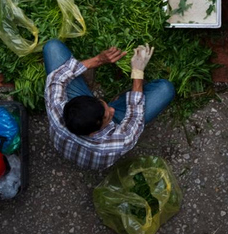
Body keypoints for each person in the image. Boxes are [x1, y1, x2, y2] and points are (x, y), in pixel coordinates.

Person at [43, 40, 175, 170]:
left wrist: (99, 59)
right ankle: (116, 106)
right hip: (103, 140)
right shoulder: (114, 144)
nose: (112, 109)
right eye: (107, 116)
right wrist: (138, 71)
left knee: (52, 46)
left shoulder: (56, 111)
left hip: (77, 126)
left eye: (102, 103)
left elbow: (57, 78)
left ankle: (99, 108)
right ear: (93, 133)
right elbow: (136, 116)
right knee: (165, 89)